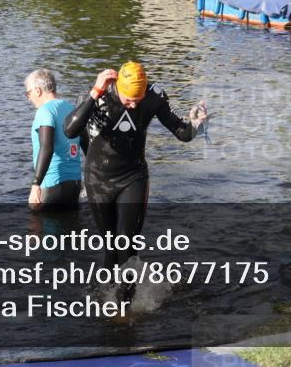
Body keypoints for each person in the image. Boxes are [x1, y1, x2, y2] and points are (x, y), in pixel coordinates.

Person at [64, 61, 207, 286]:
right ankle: (107, 297)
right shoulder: (98, 95)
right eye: (128, 99)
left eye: (136, 100)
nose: (132, 105)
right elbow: (70, 130)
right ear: (118, 87)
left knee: (126, 244)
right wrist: (94, 92)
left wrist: (196, 124)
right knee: (111, 248)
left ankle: (126, 305)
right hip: (98, 180)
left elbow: (183, 133)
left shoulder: (154, 96)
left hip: (133, 177)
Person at [24, 69, 82, 211]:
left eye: (28, 93)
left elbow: (47, 148)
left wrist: (35, 185)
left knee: (39, 229)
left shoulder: (44, 111)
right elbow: (86, 144)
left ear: (37, 91)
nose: (28, 98)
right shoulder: (71, 109)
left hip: (52, 185)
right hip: (74, 185)